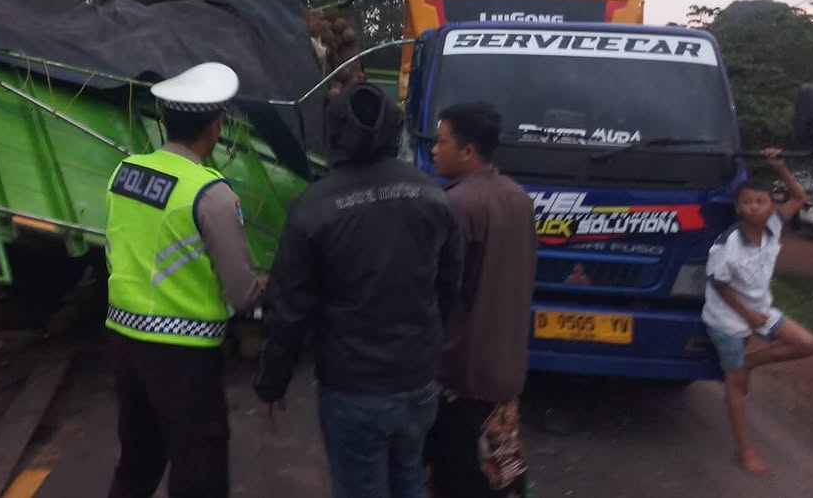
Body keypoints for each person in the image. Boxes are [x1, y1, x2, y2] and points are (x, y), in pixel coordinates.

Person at [254, 82, 461, 498]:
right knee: (408, 480)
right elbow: (449, 287)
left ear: (333, 135)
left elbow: (290, 310)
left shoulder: (314, 207)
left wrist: (271, 384)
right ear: (393, 130)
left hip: (354, 389)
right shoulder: (434, 197)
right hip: (418, 381)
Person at [104, 63, 264, 498]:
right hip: (184, 356)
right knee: (199, 468)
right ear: (214, 128)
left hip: (124, 339)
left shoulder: (125, 173)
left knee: (137, 461)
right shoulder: (210, 194)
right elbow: (242, 292)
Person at [426, 102, 537, 498]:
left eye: (442, 142)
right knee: (501, 472)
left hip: (462, 372)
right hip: (505, 369)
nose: (434, 150)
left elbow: (439, 291)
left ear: (468, 151)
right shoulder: (519, 199)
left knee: (458, 475)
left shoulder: (455, 205)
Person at [702, 148, 813, 477]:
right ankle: (745, 451)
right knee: (735, 386)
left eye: (761, 202)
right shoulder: (727, 244)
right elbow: (718, 283)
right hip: (726, 319)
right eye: (747, 202)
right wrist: (746, 316)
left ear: (770, 208)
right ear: (739, 208)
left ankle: (751, 361)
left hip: (760, 309)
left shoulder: (774, 228)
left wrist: (779, 165)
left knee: (806, 343)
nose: (754, 207)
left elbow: (799, 195)